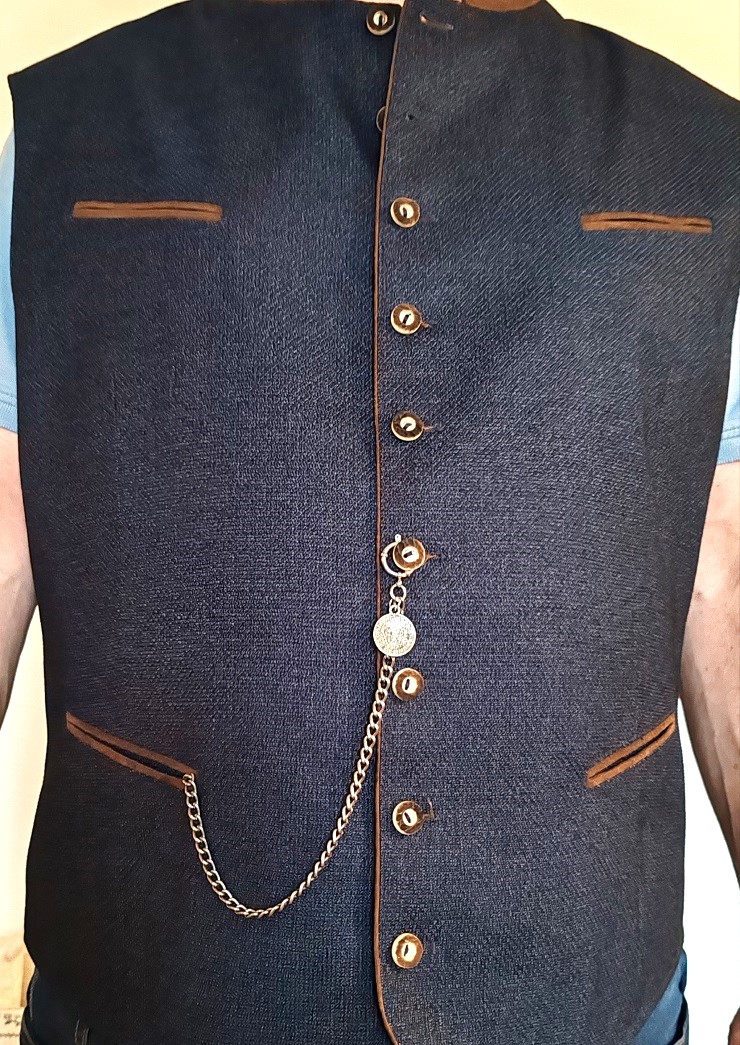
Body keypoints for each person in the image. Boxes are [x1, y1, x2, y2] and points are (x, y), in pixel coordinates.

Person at [0, 0, 738, 1043]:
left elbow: (722, 564)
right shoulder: (77, 130)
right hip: (152, 987)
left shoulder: (698, 152)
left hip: (589, 988)